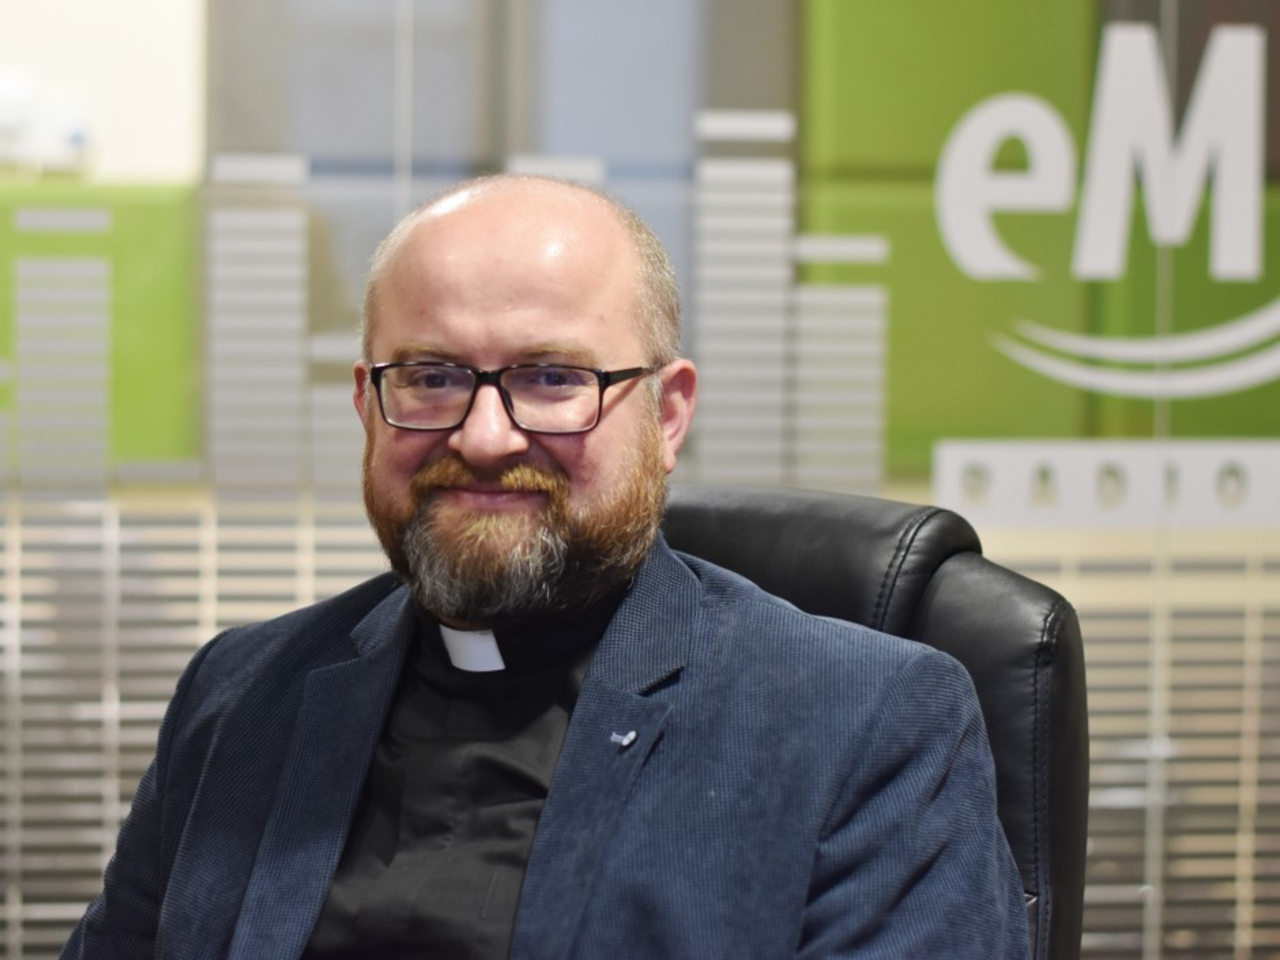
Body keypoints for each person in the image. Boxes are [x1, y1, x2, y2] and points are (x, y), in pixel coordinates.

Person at [61, 175, 1028, 959]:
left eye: (553, 377)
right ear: (366, 404)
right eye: (431, 377)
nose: (484, 437)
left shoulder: (867, 724)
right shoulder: (242, 696)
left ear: (668, 416)